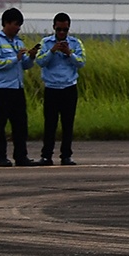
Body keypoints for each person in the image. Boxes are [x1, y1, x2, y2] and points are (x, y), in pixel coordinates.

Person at [0, 7, 39, 168]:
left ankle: (21, 156)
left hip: (17, 88)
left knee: (20, 124)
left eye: (19, 25)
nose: (18, 28)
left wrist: (30, 57)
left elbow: (24, 65)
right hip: (1, 88)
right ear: (6, 23)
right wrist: (14, 58)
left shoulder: (19, 42)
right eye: (16, 24)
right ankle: (0, 157)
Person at [36, 12, 86, 166]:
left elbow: (81, 62)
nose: (62, 33)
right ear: (54, 28)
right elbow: (40, 61)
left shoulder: (76, 43)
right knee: (50, 124)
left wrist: (68, 53)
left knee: (67, 124)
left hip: (69, 88)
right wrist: (52, 51)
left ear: (68, 28)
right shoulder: (46, 43)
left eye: (65, 30)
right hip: (51, 88)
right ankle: (46, 156)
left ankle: (66, 155)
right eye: (59, 30)